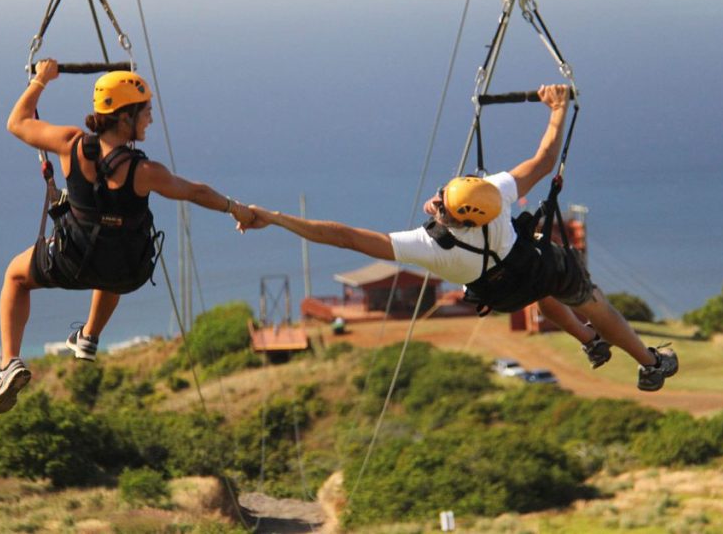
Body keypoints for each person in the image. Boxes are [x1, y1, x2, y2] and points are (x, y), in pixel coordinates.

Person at [240, 84, 678, 392]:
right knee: (586, 298)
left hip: (503, 294)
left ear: (457, 218)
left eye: (442, 202)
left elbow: (346, 239)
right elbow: (544, 161)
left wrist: (276, 218)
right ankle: (651, 364)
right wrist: (557, 109)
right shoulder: (496, 198)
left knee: (544, 293)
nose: (435, 200)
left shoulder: (432, 250)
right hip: (538, 269)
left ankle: (592, 342)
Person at [0, 59, 256, 413]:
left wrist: (41, 79)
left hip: (70, 260)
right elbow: (195, 192)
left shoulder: (70, 144)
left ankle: (10, 363)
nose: (150, 119)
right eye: (145, 112)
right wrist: (236, 209)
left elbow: (17, 123)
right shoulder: (144, 171)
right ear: (125, 116)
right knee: (117, 246)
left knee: (16, 276)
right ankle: (89, 337)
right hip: (127, 271)